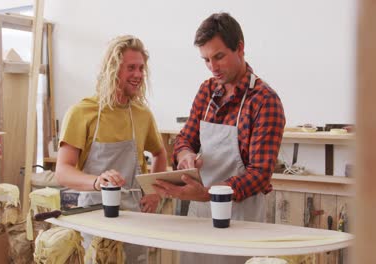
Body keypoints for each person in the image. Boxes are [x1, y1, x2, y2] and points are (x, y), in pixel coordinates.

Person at [153, 12, 285, 263]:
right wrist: (185, 155)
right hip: (199, 216)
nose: (213, 67)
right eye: (206, 60)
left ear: (240, 48)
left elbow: (259, 174)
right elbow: (184, 139)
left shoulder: (264, 101)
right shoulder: (207, 91)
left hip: (241, 220)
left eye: (219, 57)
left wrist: (209, 193)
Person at [55, 35, 167, 264]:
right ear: (113, 69)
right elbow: (63, 171)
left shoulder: (141, 114)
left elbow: (160, 153)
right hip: (94, 219)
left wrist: (155, 192)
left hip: (134, 219)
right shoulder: (82, 112)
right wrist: (98, 182)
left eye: (141, 68)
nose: (138, 75)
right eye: (131, 68)